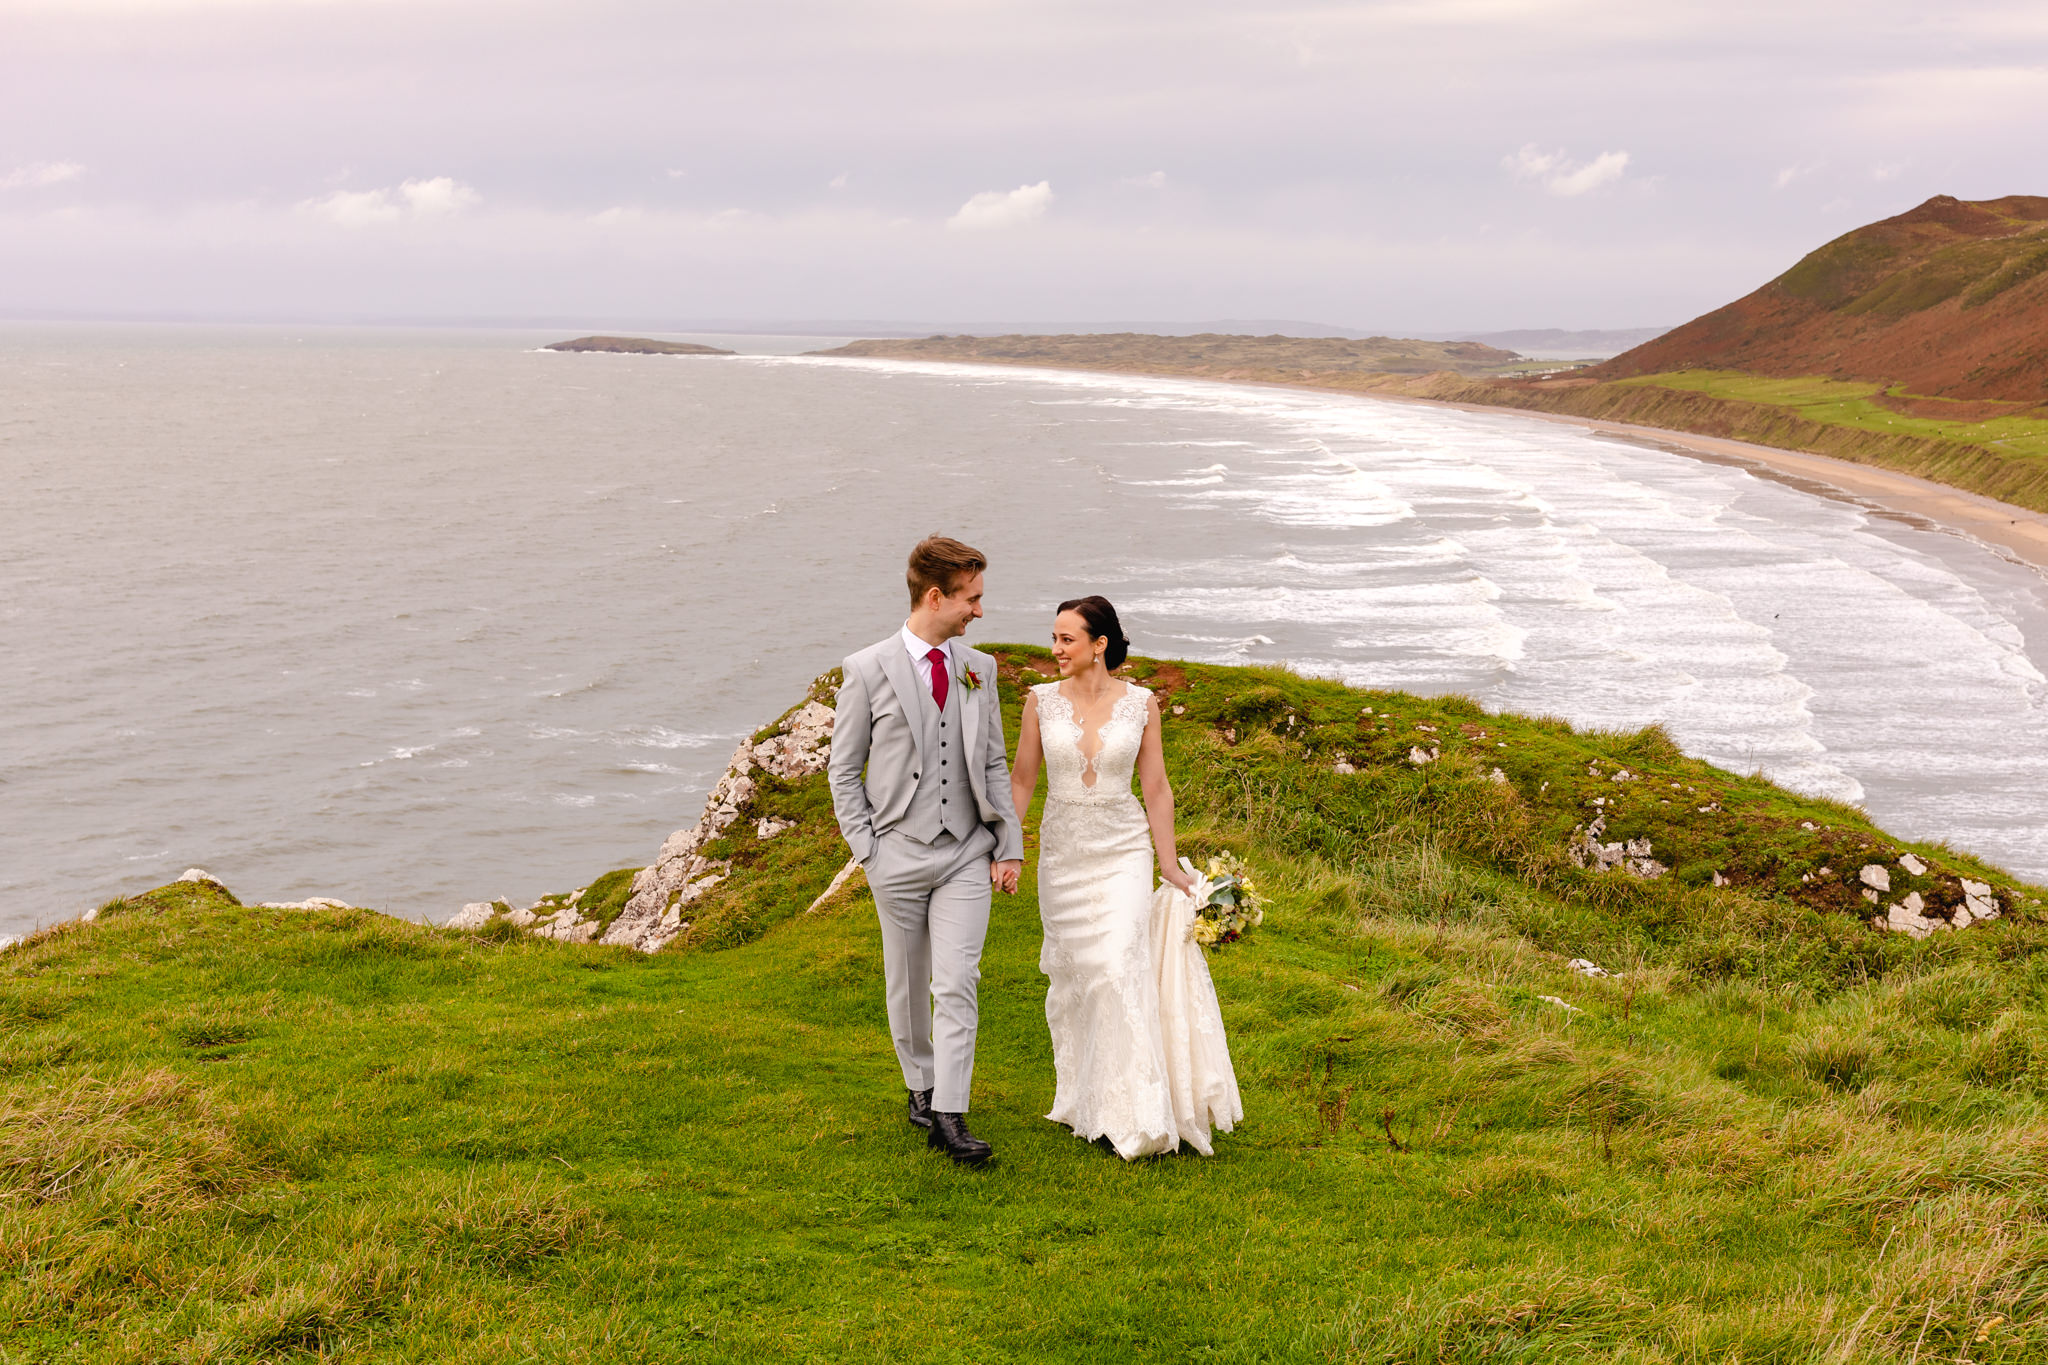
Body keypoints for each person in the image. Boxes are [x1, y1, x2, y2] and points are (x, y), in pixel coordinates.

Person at [1009, 595, 1243, 1159]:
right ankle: (1086, 1097)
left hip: (1123, 850)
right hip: (1062, 856)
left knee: (1118, 969)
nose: (1055, 649)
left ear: (1100, 644)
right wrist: (1007, 847)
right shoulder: (1039, 702)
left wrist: (1168, 863)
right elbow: (1021, 781)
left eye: (1067, 639)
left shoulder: (1142, 705)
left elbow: (1156, 788)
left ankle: (1135, 1114)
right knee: (1079, 980)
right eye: (1055, 637)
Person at [828, 535, 1025, 1167]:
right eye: (972, 599)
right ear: (935, 596)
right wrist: (869, 850)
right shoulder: (865, 669)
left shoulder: (980, 669)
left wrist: (1007, 845)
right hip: (899, 853)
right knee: (908, 981)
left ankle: (951, 1111)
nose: (979, 612)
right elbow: (842, 772)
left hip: (967, 849)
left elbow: (993, 763)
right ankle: (920, 1085)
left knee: (958, 979)